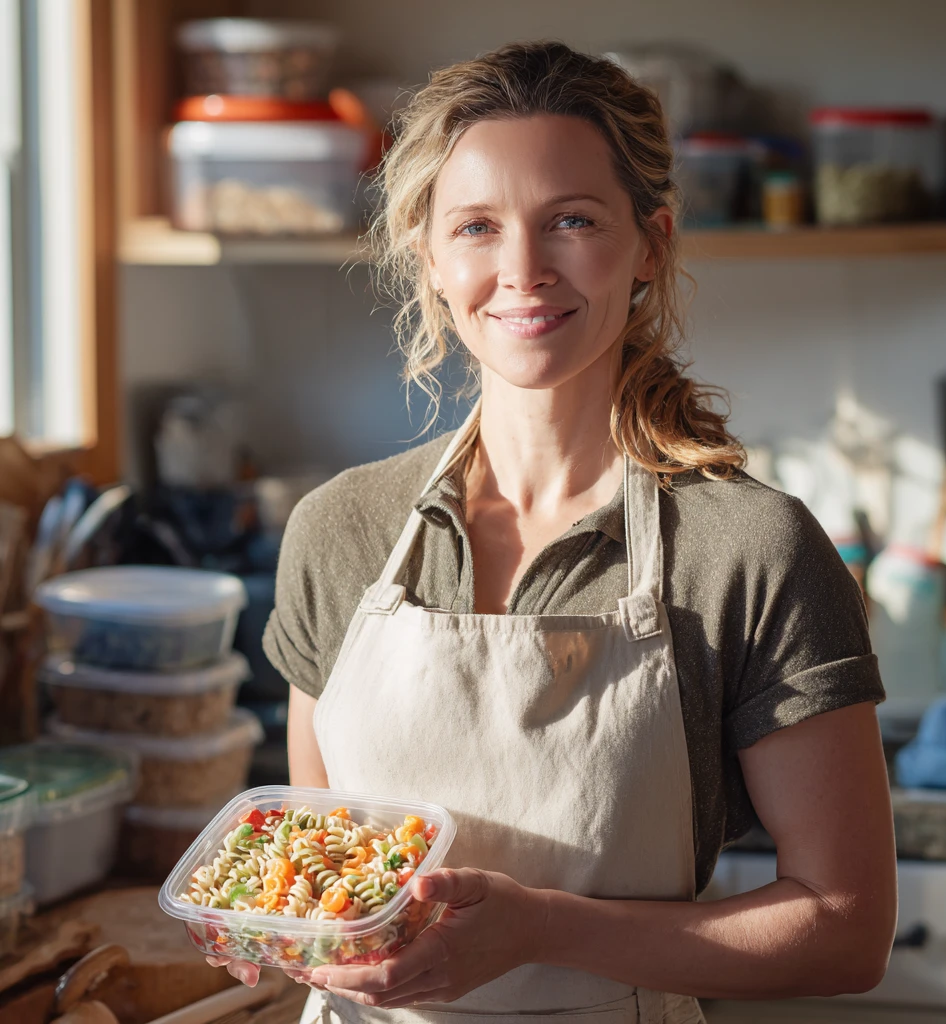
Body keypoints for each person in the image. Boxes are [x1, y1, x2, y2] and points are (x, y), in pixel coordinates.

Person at [219, 40, 897, 1024]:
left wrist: (543, 928)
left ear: (651, 243)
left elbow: (845, 929)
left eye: (571, 220)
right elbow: (321, 866)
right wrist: (282, 928)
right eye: (478, 228)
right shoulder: (341, 529)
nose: (523, 270)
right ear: (430, 259)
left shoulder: (747, 548)